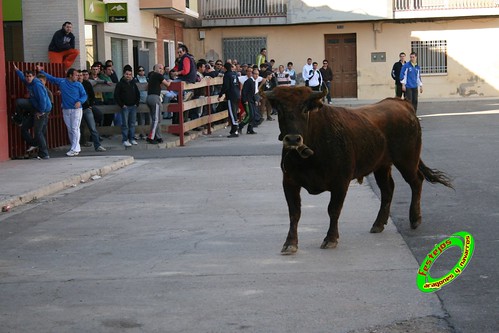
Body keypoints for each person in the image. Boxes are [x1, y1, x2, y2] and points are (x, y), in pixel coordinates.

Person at [36, 65, 87, 157]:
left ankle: (75, 148)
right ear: (70, 75)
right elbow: (51, 78)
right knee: (70, 129)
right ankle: (74, 147)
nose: (77, 77)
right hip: (66, 109)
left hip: (77, 109)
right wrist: (42, 72)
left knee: (75, 128)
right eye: (76, 75)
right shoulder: (62, 82)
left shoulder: (79, 84)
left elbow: (84, 95)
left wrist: (80, 101)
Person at [13, 65, 53, 159]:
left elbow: (42, 99)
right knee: (24, 128)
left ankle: (44, 153)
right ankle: (33, 143)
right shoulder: (29, 82)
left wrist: (41, 111)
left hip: (42, 110)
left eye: (30, 76)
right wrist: (17, 70)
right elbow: (23, 78)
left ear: (34, 76)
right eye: (27, 76)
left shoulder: (37, 85)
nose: (28, 78)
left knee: (38, 132)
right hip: (35, 108)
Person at [78, 70, 106, 152]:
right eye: (79, 75)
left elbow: (92, 95)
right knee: (78, 127)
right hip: (78, 109)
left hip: (87, 108)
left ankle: (97, 145)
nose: (80, 77)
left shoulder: (87, 83)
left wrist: (90, 105)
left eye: (81, 75)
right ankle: (79, 145)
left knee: (93, 127)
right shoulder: (74, 84)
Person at [114, 67, 141, 147]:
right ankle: (125, 139)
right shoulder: (120, 84)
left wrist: (137, 103)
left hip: (133, 106)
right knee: (125, 124)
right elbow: (116, 95)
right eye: (126, 74)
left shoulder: (133, 83)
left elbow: (137, 94)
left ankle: (132, 138)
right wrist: (122, 105)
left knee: (132, 123)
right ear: (123, 74)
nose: (128, 76)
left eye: (129, 74)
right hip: (125, 107)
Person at [146, 64, 172, 144]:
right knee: (156, 120)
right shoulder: (158, 75)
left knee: (155, 119)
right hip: (155, 98)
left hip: (149, 97)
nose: (161, 70)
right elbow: (167, 85)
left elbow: (147, 87)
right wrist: (170, 81)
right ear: (155, 69)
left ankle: (158, 137)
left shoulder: (151, 76)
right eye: (159, 68)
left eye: (162, 69)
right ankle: (151, 137)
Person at [218, 62, 241, 138]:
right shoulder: (234, 74)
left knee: (232, 113)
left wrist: (221, 94)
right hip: (237, 94)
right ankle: (233, 129)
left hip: (231, 95)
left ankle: (235, 130)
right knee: (234, 112)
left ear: (225, 68)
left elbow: (225, 86)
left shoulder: (227, 75)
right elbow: (238, 84)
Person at [239, 68, 260, 135]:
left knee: (253, 115)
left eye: (257, 74)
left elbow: (253, 93)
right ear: (252, 74)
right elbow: (244, 92)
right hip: (247, 101)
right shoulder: (249, 81)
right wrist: (245, 100)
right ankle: (240, 126)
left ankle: (250, 129)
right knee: (249, 115)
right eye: (255, 74)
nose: (256, 76)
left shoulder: (254, 82)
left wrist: (255, 100)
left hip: (251, 100)